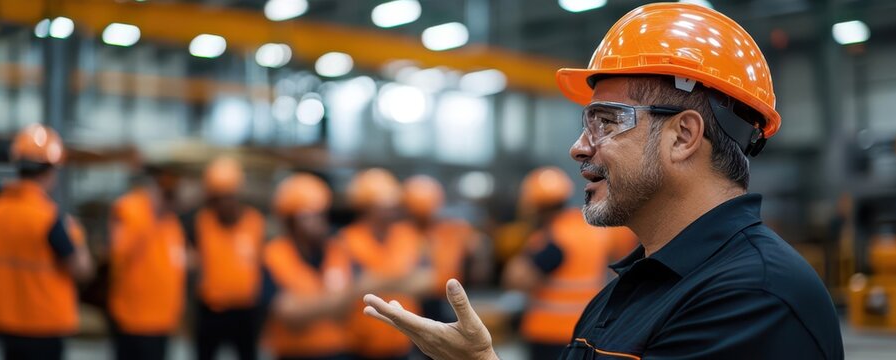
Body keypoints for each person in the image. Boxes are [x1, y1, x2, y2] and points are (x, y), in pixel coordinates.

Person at [360, 3, 845, 359]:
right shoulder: (635, 288)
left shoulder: (753, 300)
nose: (578, 147)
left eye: (606, 122)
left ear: (683, 137)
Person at [502, 167, 636, 359]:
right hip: (585, 329)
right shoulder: (590, 230)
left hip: (548, 332)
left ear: (535, 207)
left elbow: (516, 280)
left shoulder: (553, 239)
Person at [0, 124, 94, 360]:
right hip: (44, 325)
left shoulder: (1, 209)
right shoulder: (50, 220)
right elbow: (82, 269)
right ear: (51, 171)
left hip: (8, 322)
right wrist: (77, 235)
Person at [262, 173, 354, 360]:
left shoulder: (338, 250)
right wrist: (334, 303)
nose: (318, 223)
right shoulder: (274, 254)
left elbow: (349, 307)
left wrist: (310, 306)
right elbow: (289, 314)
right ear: (290, 221)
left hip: (339, 350)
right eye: (308, 216)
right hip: (294, 353)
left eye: (321, 214)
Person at [340, 168, 425, 360]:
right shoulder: (347, 239)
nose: (390, 209)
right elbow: (355, 287)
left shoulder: (408, 234)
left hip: (405, 339)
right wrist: (403, 280)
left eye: (392, 203)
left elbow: (426, 280)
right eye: (382, 204)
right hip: (359, 344)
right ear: (365, 206)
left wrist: (376, 281)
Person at [107, 165, 187, 360]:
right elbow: (120, 252)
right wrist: (152, 214)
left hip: (162, 320)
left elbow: (175, 259)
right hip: (133, 320)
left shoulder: (171, 222)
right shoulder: (130, 209)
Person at [190, 156, 265, 360]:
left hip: (246, 311)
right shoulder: (202, 222)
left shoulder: (254, 222)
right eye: (218, 197)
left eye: (229, 196)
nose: (225, 203)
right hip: (211, 310)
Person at [402, 175, 483, 323]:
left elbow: (479, 256)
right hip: (414, 301)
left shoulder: (454, 230)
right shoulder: (401, 233)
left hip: (446, 299)